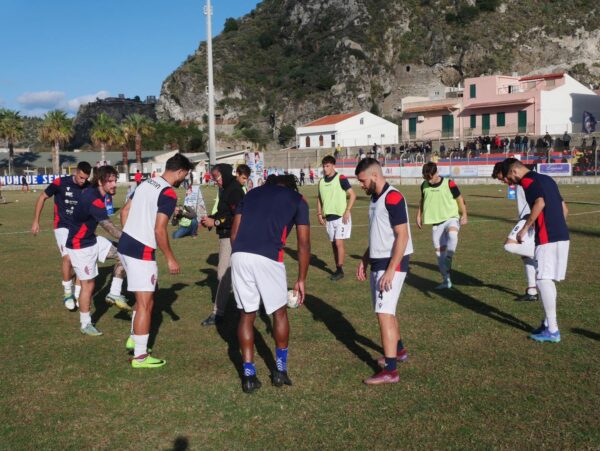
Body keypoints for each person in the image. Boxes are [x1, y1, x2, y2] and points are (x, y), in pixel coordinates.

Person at [230, 174, 310, 393]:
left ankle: (248, 375)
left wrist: (242, 254)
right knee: (279, 312)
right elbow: (303, 244)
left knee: (247, 315)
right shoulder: (298, 199)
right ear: (291, 187)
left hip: (239, 256)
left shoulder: (251, 193)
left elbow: (234, 233)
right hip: (268, 258)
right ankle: (280, 371)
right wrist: (301, 279)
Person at [118, 153, 194, 367]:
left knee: (143, 298)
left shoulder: (145, 183)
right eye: (184, 175)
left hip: (125, 246)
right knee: (145, 304)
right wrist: (170, 258)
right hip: (141, 252)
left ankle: (135, 338)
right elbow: (159, 230)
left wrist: (130, 233)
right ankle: (140, 357)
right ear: (179, 172)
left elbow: (125, 211)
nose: (183, 180)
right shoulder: (168, 193)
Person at [355, 158, 412, 385]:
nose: (360, 184)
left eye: (362, 180)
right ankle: (398, 351)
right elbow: (380, 234)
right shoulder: (375, 198)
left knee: (384, 313)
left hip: (392, 263)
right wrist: (365, 258)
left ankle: (390, 370)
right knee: (387, 310)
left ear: (374, 176)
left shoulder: (393, 197)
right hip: (379, 262)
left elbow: (402, 235)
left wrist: (390, 269)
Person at [503, 158, 569, 343]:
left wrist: (526, 228)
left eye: (509, 178)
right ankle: (548, 323)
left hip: (547, 236)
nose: (511, 182)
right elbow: (565, 209)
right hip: (562, 234)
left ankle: (553, 330)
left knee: (542, 280)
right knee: (547, 279)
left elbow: (539, 203)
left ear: (514, 171)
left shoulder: (527, 180)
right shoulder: (547, 179)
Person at [65, 166, 128, 336]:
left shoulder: (96, 193)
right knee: (89, 285)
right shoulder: (93, 199)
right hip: (80, 247)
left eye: (115, 180)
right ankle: (85, 324)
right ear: (100, 182)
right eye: (110, 181)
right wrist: (132, 239)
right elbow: (108, 227)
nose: (114, 184)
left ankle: (114, 293)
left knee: (124, 254)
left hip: (92, 240)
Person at [32, 162, 92, 310]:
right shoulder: (60, 182)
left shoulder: (89, 187)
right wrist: (36, 221)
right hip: (62, 226)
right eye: (80, 177)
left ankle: (77, 294)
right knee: (68, 258)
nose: (82, 181)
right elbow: (42, 198)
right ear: (75, 172)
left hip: (80, 228)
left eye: (85, 178)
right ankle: (67, 293)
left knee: (80, 259)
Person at [200, 164, 246, 326]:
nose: (216, 181)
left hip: (233, 237)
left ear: (225, 175)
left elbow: (237, 217)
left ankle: (217, 313)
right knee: (237, 275)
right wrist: (210, 219)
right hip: (227, 236)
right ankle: (253, 304)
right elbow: (224, 213)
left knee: (223, 275)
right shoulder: (226, 189)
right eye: (213, 178)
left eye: (217, 178)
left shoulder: (234, 190)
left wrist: (217, 221)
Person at [416, 162, 467, 289]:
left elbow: (460, 199)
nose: (428, 180)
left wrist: (464, 214)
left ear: (437, 173)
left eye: (430, 177)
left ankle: (449, 257)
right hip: (436, 223)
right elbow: (422, 200)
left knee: (453, 234)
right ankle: (446, 281)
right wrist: (419, 215)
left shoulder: (449, 183)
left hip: (451, 217)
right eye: (425, 177)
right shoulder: (424, 185)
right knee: (439, 255)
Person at [492, 162, 537, 301]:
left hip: (528, 219)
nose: (503, 181)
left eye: (502, 177)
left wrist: (532, 220)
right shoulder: (518, 181)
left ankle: (542, 254)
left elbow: (538, 201)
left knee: (510, 245)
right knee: (525, 256)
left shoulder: (527, 180)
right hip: (526, 218)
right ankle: (532, 290)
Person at [317, 155, 356, 281]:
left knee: (339, 243)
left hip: (341, 217)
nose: (325, 168)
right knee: (334, 244)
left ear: (334, 166)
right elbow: (319, 198)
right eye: (324, 166)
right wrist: (319, 213)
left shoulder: (341, 178)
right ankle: (338, 269)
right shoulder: (321, 182)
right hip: (329, 218)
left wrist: (347, 211)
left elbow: (352, 195)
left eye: (327, 166)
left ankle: (340, 270)